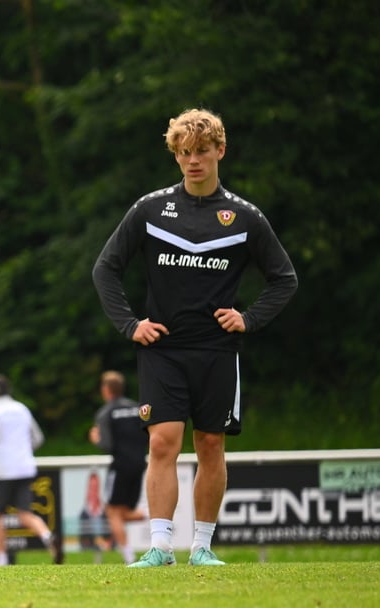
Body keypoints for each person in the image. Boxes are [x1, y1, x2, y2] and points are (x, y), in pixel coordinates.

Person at [91, 108, 297, 567]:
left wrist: (249, 318)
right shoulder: (149, 210)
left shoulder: (245, 217)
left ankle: (202, 547)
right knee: (162, 441)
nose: (193, 161)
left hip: (217, 351)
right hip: (162, 349)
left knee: (210, 444)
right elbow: (105, 269)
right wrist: (130, 325)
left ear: (220, 150)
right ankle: (161, 547)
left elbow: (284, 279)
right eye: (184, 153)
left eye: (201, 151)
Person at [0, 374, 62, 565]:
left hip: (4, 469)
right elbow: (38, 438)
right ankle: (47, 536)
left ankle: (1, 558)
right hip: (25, 466)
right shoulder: (21, 408)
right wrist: (22, 451)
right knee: (25, 513)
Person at [88, 370, 148, 564]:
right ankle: (156, 517)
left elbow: (106, 445)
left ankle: (128, 557)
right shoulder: (136, 408)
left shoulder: (106, 413)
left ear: (106, 390)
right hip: (140, 464)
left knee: (113, 512)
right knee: (122, 513)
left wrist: (96, 439)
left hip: (120, 465)